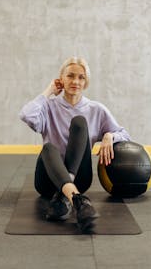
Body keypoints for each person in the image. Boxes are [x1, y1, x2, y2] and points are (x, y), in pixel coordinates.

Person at [19, 57, 130, 231]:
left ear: (86, 83)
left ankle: (67, 194)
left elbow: (125, 135)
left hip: (80, 177)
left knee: (79, 122)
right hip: (48, 180)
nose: (75, 81)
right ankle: (76, 198)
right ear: (61, 79)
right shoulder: (49, 107)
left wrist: (109, 135)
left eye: (81, 77)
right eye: (70, 76)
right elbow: (26, 115)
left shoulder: (96, 110)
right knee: (48, 148)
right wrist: (48, 91)